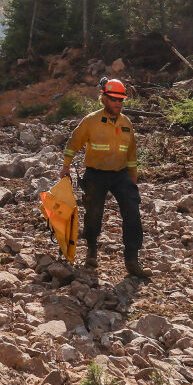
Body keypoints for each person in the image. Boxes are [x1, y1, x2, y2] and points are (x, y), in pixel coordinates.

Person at [59, 78, 150, 280]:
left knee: (132, 212)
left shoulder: (126, 123)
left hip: (120, 174)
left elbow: (132, 151)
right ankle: (91, 251)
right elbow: (74, 142)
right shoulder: (91, 121)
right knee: (93, 213)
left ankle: (132, 260)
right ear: (104, 99)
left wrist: (133, 176)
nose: (118, 103)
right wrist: (66, 166)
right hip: (96, 173)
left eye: (121, 100)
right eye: (114, 99)